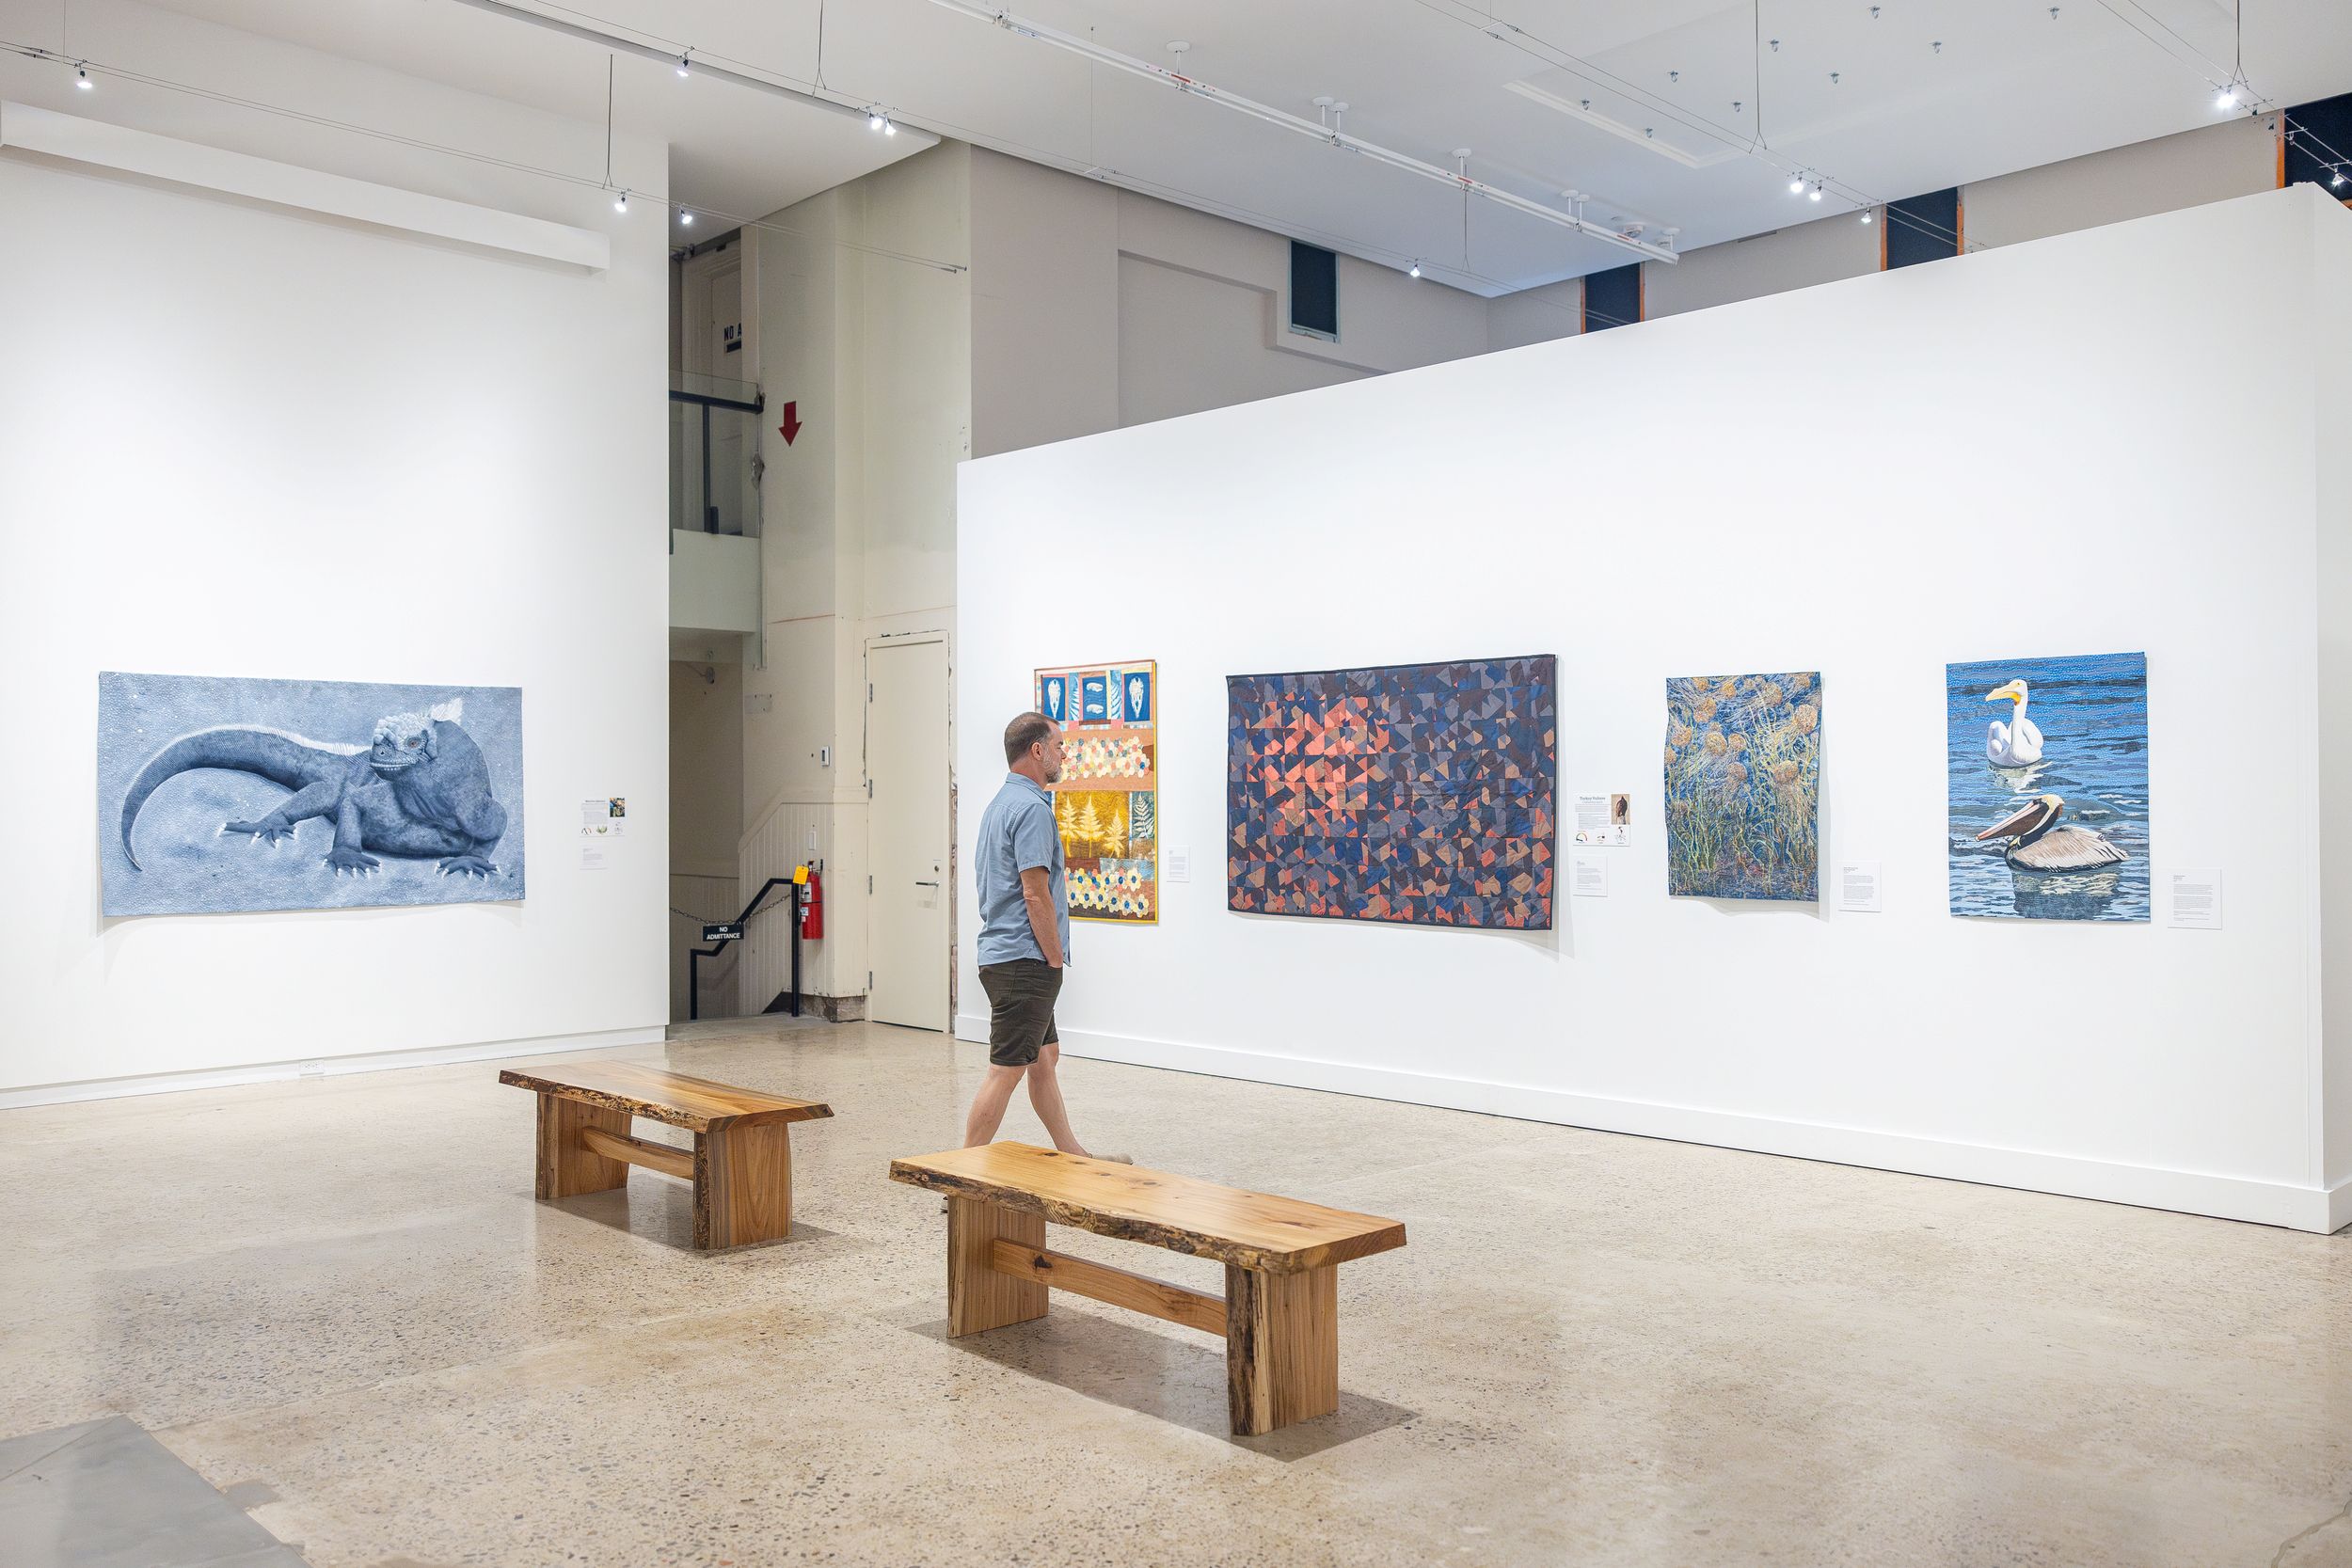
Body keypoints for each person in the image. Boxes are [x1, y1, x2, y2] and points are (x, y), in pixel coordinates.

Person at [962, 711, 1125, 1161]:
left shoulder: (1001, 803)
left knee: (1044, 1059)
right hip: (1024, 960)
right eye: (1058, 746)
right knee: (1005, 1071)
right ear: (1037, 751)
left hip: (1006, 954)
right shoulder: (1032, 809)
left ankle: (1073, 1155)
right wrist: (1053, 958)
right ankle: (959, 1174)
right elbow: (1035, 894)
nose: (1064, 755)